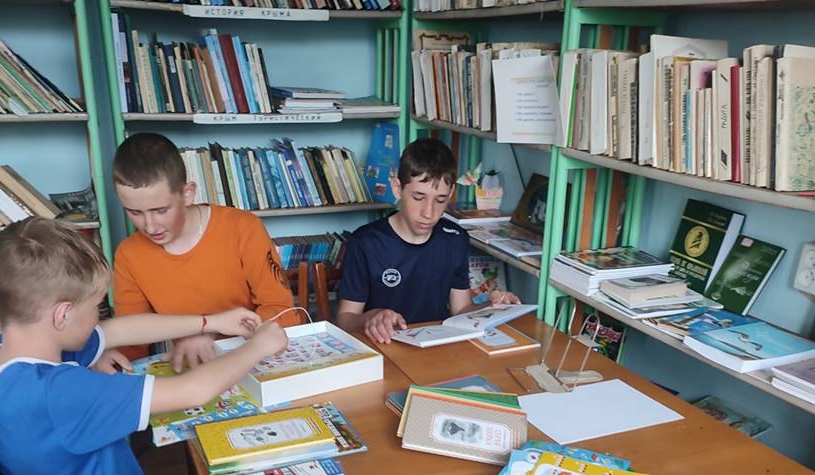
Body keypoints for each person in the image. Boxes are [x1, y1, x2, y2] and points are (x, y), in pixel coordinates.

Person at [0, 217, 288, 475]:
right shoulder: (60, 392)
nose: (99, 318)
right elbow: (192, 391)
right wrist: (259, 347)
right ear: (62, 315)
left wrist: (210, 321)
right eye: (96, 307)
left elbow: (118, 331)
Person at [98, 132, 297, 372]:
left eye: (161, 210)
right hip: (194, 373)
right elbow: (132, 338)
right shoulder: (129, 254)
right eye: (135, 212)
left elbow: (284, 312)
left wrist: (211, 335)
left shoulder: (242, 228)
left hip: (255, 362)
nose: (149, 226)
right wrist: (109, 357)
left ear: (188, 193)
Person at [336, 138, 520, 344]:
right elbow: (345, 320)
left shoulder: (455, 239)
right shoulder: (365, 242)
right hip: (384, 345)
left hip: (437, 347)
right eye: (418, 197)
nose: (428, 212)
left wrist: (493, 307)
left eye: (440, 200)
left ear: (450, 194)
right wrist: (370, 317)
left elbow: (461, 310)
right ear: (397, 188)